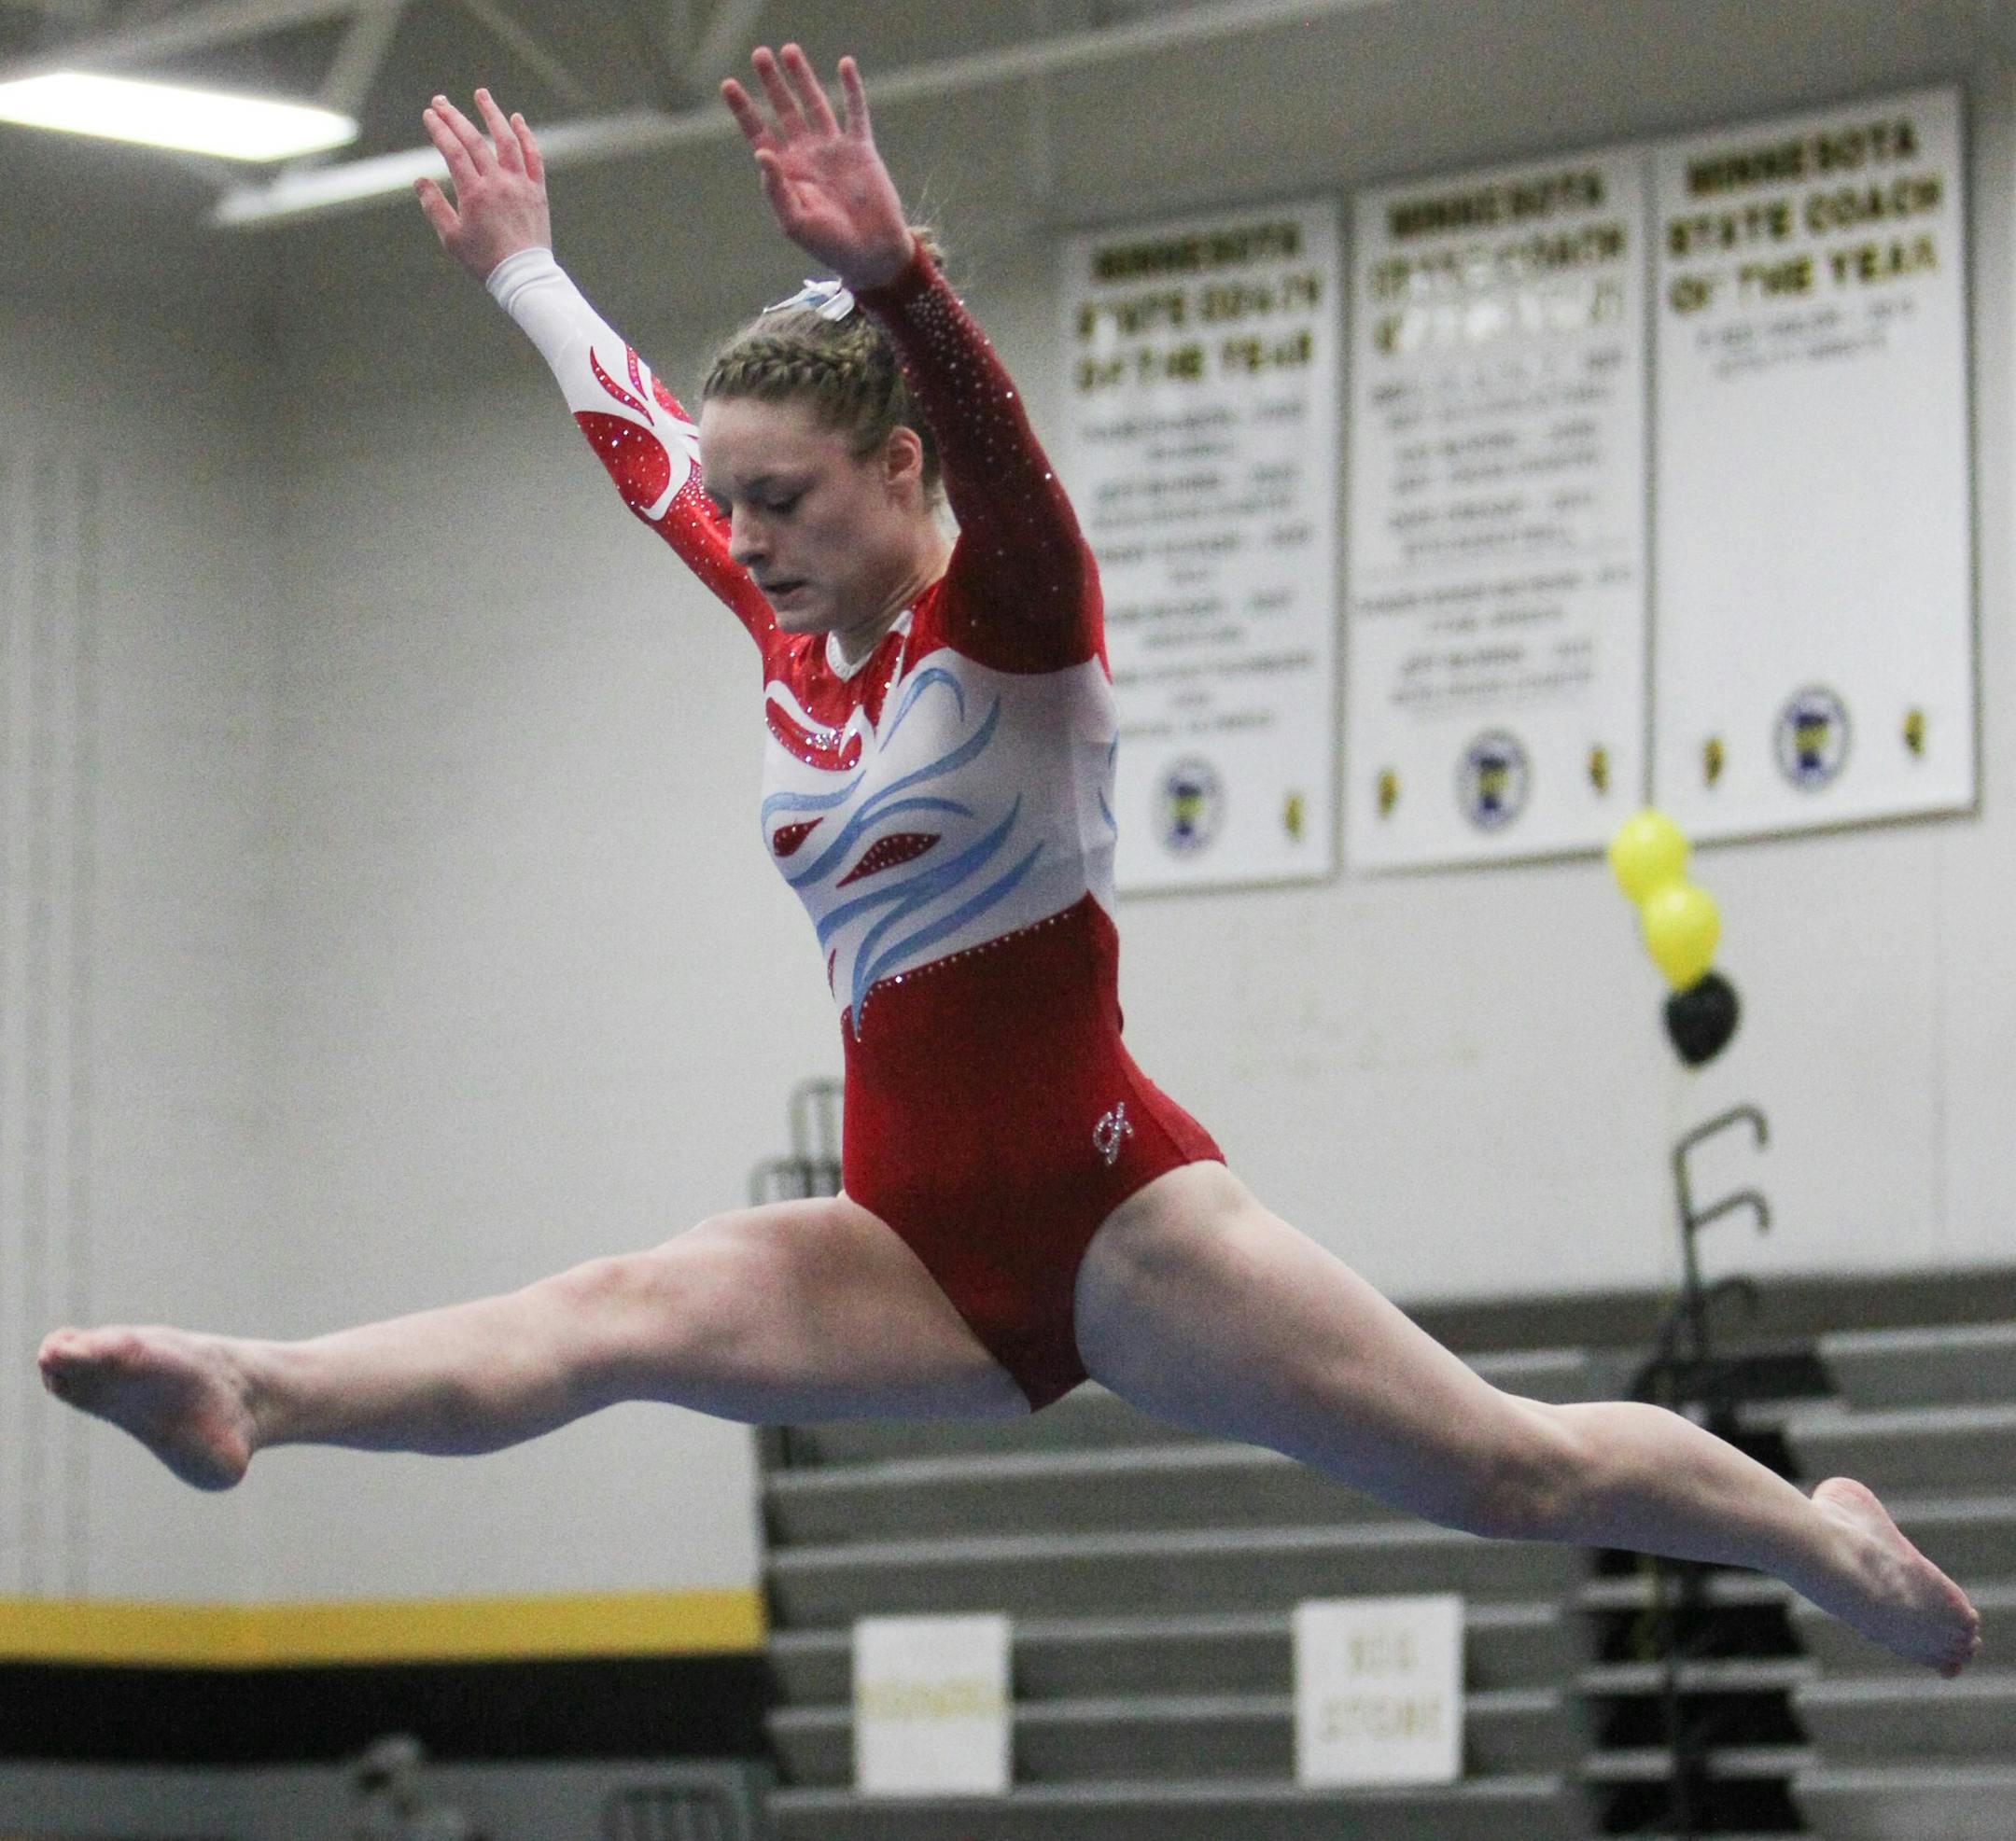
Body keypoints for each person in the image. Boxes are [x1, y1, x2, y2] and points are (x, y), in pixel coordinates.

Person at [39, 49, 1980, 1681]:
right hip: (904, 1246)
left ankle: (1826, 1543)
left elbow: (1017, 466)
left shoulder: (1020, 632)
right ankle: (255, 1390)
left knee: (1512, 1474)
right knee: (613, 1317)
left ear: (899, 476)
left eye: (785, 498)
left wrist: (898, 278)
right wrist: (530, 273)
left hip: (1123, 1225)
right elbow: (648, 457)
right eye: (744, 508)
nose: (753, 535)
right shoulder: (797, 627)